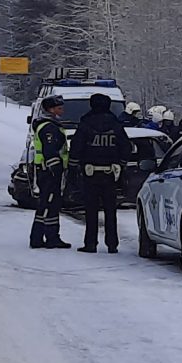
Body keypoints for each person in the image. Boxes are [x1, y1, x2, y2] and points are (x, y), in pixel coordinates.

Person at [68, 92, 132, 254]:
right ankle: (112, 244)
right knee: (110, 210)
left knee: (91, 209)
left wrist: (73, 169)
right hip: (111, 173)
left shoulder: (85, 123)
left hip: (90, 173)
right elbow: (126, 147)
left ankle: (91, 244)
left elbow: (76, 147)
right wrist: (121, 165)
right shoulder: (116, 125)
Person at [26, 99, 69, 248]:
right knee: (47, 204)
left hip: (47, 170)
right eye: (59, 108)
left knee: (52, 204)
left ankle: (51, 237)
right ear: (51, 110)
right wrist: (56, 169)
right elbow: (50, 151)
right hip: (49, 172)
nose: (62, 110)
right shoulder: (49, 128)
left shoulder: (50, 125)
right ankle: (38, 237)